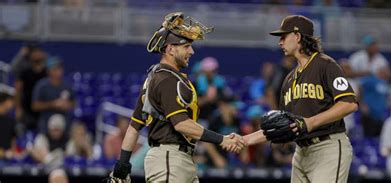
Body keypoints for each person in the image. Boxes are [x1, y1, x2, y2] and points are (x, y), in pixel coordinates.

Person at [107, 12, 245, 183]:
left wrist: (122, 164)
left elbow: (134, 126)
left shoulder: (156, 77)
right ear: (170, 49)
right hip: (169, 158)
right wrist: (221, 139)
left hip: (176, 159)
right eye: (186, 46)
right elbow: (181, 124)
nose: (192, 51)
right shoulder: (167, 79)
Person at [243, 15, 358, 183]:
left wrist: (311, 122)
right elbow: (281, 126)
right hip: (301, 153)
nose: (280, 42)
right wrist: (245, 140)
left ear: (297, 36)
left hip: (327, 148)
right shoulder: (289, 79)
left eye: (283, 37)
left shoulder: (325, 64)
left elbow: (349, 104)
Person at [32, 57, 75, 133]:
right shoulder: (41, 86)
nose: (58, 71)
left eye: (60, 68)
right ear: (49, 71)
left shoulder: (67, 85)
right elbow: (35, 106)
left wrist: (67, 105)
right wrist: (53, 104)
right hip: (46, 127)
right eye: (55, 69)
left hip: (64, 127)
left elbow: (74, 104)